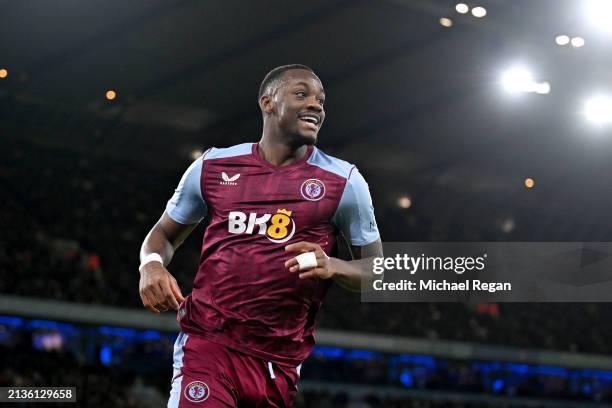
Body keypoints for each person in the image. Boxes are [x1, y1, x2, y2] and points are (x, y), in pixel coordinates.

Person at [138, 64, 382, 407]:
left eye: (321, 100)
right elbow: (163, 233)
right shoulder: (212, 167)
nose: (316, 105)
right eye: (302, 94)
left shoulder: (344, 182)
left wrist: (333, 266)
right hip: (209, 346)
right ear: (267, 102)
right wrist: (150, 265)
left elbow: (377, 272)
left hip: (279, 363)